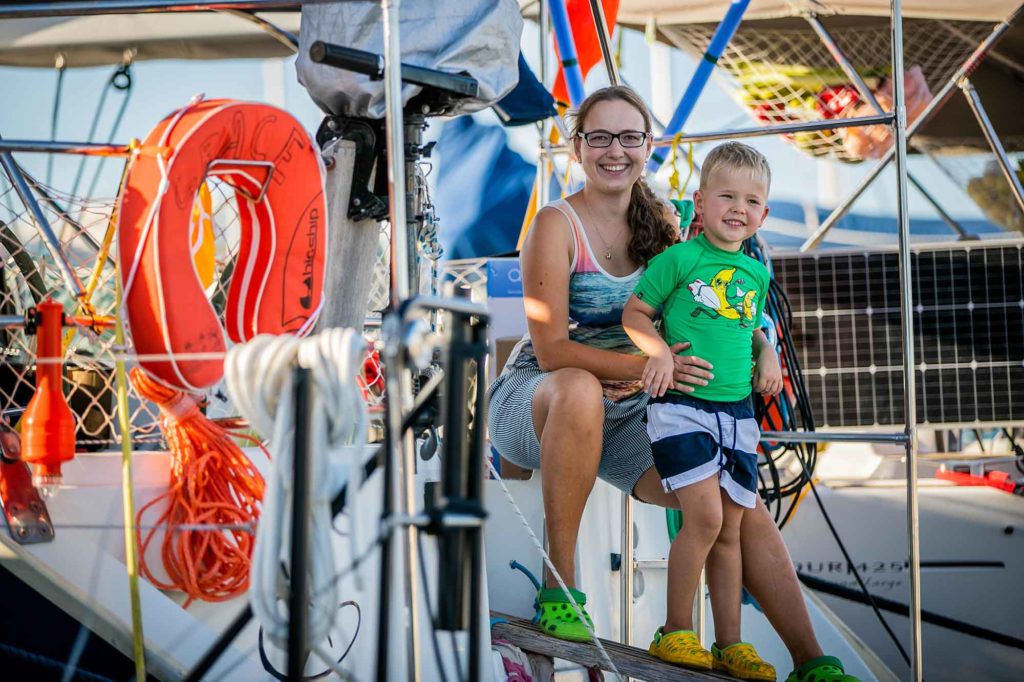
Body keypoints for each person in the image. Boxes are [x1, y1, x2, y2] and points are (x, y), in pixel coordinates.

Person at [487, 85, 859, 682]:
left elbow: (721, 310)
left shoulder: (664, 222)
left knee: (736, 503)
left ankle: (812, 662)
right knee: (581, 386)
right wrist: (647, 369)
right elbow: (553, 349)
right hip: (543, 397)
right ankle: (560, 593)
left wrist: (764, 348)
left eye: (630, 137)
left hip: (635, 402)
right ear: (577, 147)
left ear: (648, 146)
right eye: (600, 137)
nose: (616, 150)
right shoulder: (555, 226)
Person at [622, 141, 780, 680]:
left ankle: (730, 644)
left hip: (737, 413)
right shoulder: (679, 259)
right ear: (701, 201)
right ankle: (676, 630)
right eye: (727, 196)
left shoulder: (756, 274)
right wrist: (660, 353)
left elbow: (750, 326)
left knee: (733, 528)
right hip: (682, 409)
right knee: (706, 517)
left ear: (764, 214)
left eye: (752, 201)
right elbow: (636, 314)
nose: (739, 208)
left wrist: (769, 352)